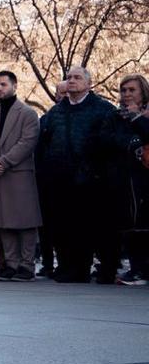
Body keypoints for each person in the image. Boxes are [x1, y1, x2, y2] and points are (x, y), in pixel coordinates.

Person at [37, 67, 121, 283]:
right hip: (60, 180)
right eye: (69, 77)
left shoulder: (103, 109)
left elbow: (107, 143)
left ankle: (105, 268)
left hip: (92, 180)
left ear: (89, 83)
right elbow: (44, 142)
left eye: (77, 78)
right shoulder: (55, 112)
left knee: (95, 226)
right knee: (64, 226)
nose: (72, 81)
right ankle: (70, 267)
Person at [0, 70, 43, 281]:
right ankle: (11, 264)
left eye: (2, 85)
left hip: (18, 173)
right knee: (2, 221)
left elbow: (27, 142)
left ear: (14, 86)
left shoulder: (28, 113)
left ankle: (27, 265)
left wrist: (3, 162)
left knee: (24, 221)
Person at [107, 74, 149, 285]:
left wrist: (138, 119)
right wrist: (131, 142)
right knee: (132, 223)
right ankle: (136, 268)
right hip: (126, 176)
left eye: (132, 90)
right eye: (124, 91)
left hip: (145, 175)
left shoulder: (145, 114)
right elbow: (110, 138)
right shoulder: (115, 116)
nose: (127, 94)